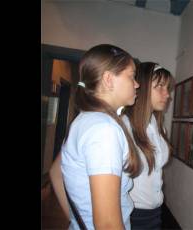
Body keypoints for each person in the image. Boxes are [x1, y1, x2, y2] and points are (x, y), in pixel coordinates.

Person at [50, 44, 141, 229]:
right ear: (108, 79)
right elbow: (107, 224)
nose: (137, 84)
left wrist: (78, 221)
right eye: (131, 76)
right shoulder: (103, 130)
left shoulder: (86, 120)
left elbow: (55, 173)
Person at [121, 62, 174, 230]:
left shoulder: (158, 125)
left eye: (167, 88)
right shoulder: (124, 126)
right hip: (133, 213)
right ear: (142, 88)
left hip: (156, 211)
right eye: (160, 87)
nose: (167, 94)